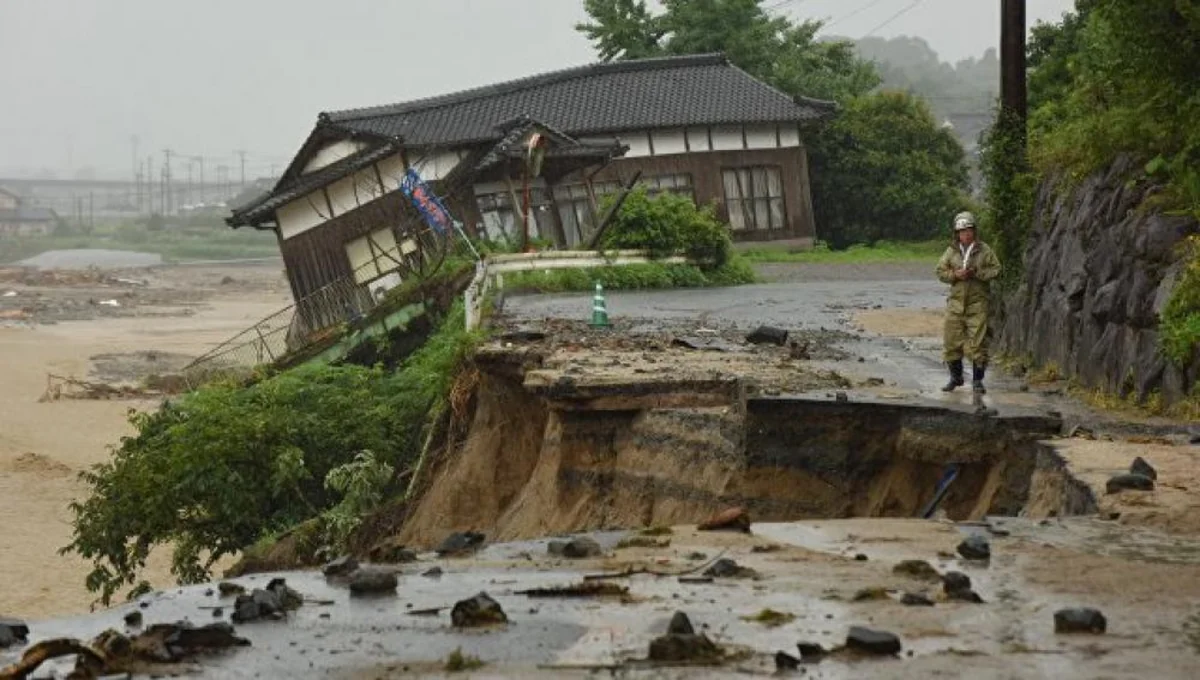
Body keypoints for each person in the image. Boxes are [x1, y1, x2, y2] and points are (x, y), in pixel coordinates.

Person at [936, 211, 1001, 393]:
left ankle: (977, 381)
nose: (966, 234)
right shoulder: (951, 251)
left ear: (974, 230)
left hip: (977, 303)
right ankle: (955, 378)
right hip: (955, 303)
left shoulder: (985, 250)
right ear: (957, 233)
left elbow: (996, 270)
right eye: (962, 231)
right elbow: (940, 271)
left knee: (978, 343)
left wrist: (977, 273)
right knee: (951, 342)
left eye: (969, 230)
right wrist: (954, 275)